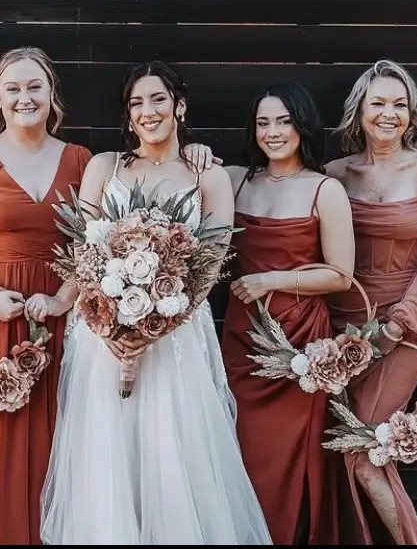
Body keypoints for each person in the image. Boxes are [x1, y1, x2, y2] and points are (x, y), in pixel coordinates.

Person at [0, 49, 218, 545]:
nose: (25, 97)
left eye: (35, 86)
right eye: (13, 88)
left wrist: (68, 299)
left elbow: (99, 239)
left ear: (52, 93)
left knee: (66, 437)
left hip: (73, 310)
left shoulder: (82, 160)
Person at [39, 61, 273, 545]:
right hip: (102, 335)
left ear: (179, 106)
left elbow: (210, 267)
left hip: (177, 332)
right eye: (137, 103)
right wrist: (106, 327)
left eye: (158, 99)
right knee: (108, 458)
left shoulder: (206, 175)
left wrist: (151, 328)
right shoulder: (105, 167)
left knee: (174, 453)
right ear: (127, 116)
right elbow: (84, 253)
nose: (148, 111)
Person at [325, 59, 417, 545]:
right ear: (358, 111)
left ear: (412, 114)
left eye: (399, 104)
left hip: (405, 324)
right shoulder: (334, 174)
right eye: (378, 103)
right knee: (336, 448)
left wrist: (397, 328)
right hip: (339, 329)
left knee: (364, 452)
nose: (389, 113)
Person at [219, 81, 356, 545]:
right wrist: (195, 151)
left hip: (299, 341)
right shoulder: (235, 179)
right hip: (242, 340)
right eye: (263, 123)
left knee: (290, 453)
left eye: (283, 121)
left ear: (302, 125)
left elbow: (340, 274)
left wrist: (270, 281)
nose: (273, 132)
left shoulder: (325, 189)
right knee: (241, 445)